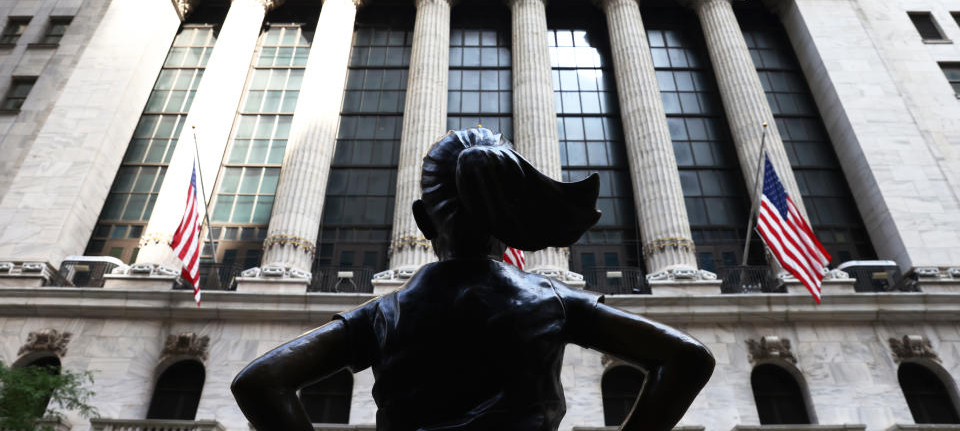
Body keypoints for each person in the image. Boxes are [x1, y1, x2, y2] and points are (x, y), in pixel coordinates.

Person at [232, 128, 715, 431]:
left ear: (424, 222)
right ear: (510, 219)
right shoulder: (552, 301)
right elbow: (688, 357)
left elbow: (260, 382)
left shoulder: (385, 314)